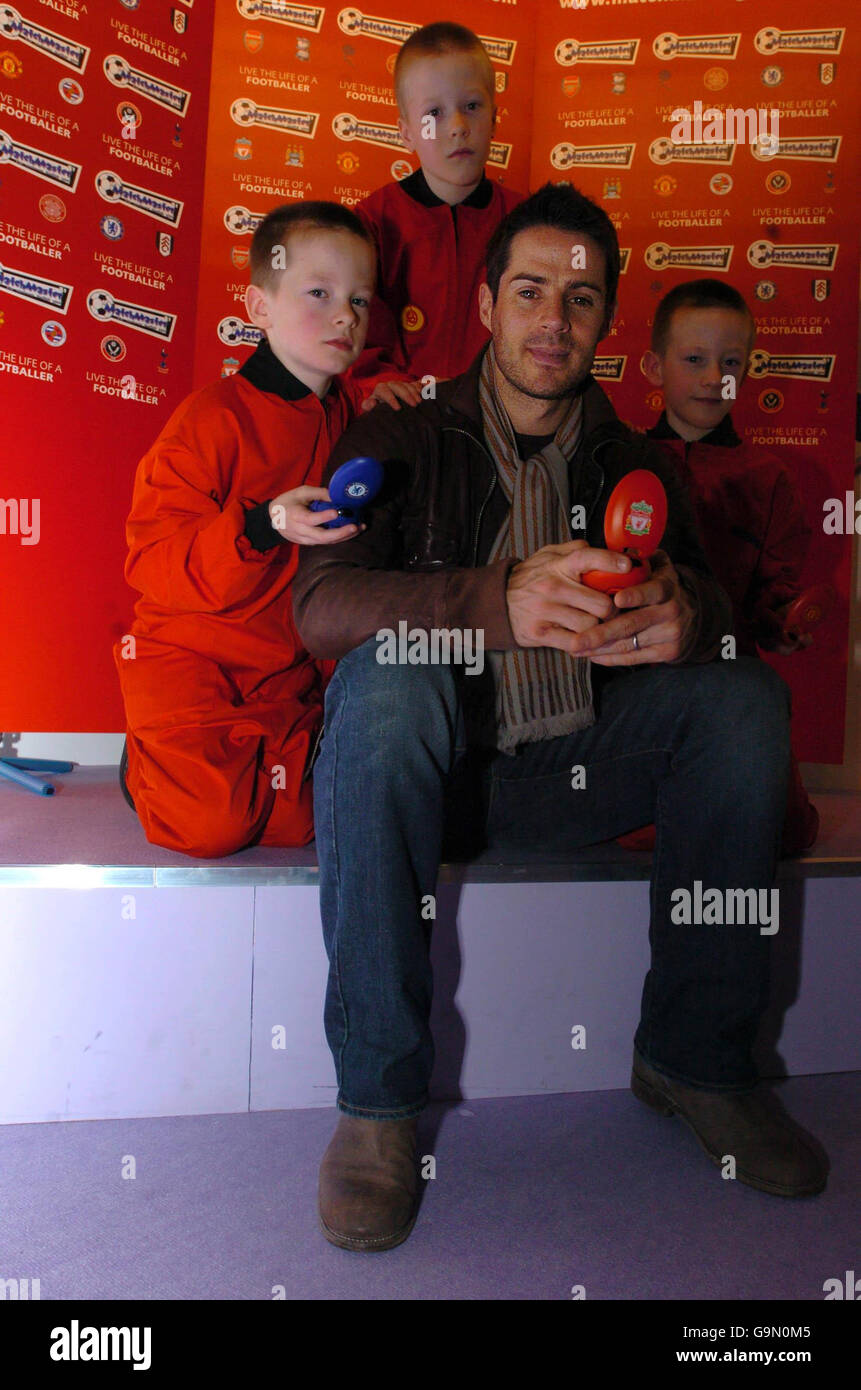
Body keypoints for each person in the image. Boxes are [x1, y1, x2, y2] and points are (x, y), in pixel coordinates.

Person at [293, 183, 828, 1253]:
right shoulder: (402, 430)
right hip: (429, 779)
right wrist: (495, 601)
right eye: (530, 290)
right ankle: (379, 1101)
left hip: (582, 762)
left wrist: (691, 611)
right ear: (487, 304)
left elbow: (719, 605)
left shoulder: (635, 454)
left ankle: (694, 1059)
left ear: (604, 324)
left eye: (581, 300)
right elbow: (322, 605)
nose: (553, 320)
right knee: (388, 682)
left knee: (739, 696)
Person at [116, 201, 387, 857]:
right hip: (192, 663)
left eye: (359, 298)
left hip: (282, 680)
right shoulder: (211, 418)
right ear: (258, 306)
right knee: (212, 827)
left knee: (314, 824)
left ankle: (229, 769)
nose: (344, 315)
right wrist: (265, 524)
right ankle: (144, 761)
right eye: (318, 293)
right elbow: (152, 560)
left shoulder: (354, 417)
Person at [626, 279, 818, 857]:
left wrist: (785, 622)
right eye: (694, 359)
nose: (715, 378)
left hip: (733, 681)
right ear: (653, 367)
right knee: (636, 826)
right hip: (637, 679)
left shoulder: (769, 476)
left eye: (730, 362)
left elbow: (772, 599)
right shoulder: (622, 460)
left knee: (776, 831)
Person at [348, 20, 524, 401]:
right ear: (406, 131)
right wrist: (381, 385)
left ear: (494, 118)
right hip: (401, 415)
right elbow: (353, 332)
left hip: (501, 420)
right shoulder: (373, 222)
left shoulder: (525, 223)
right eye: (434, 114)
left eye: (472, 106)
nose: (458, 126)